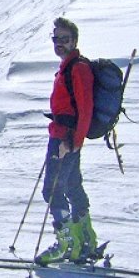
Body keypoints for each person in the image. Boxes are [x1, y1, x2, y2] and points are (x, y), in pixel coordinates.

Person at [35, 17, 99, 265]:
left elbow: (85, 109)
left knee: (52, 190)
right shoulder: (69, 66)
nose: (59, 44)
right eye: (56, 39)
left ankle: (66, 244)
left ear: (74, 41)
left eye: (65, 39)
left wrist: (73, 142)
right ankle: (85, 239)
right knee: (72, 186)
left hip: (65, 140)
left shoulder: (77, 68)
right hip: (66, 137)